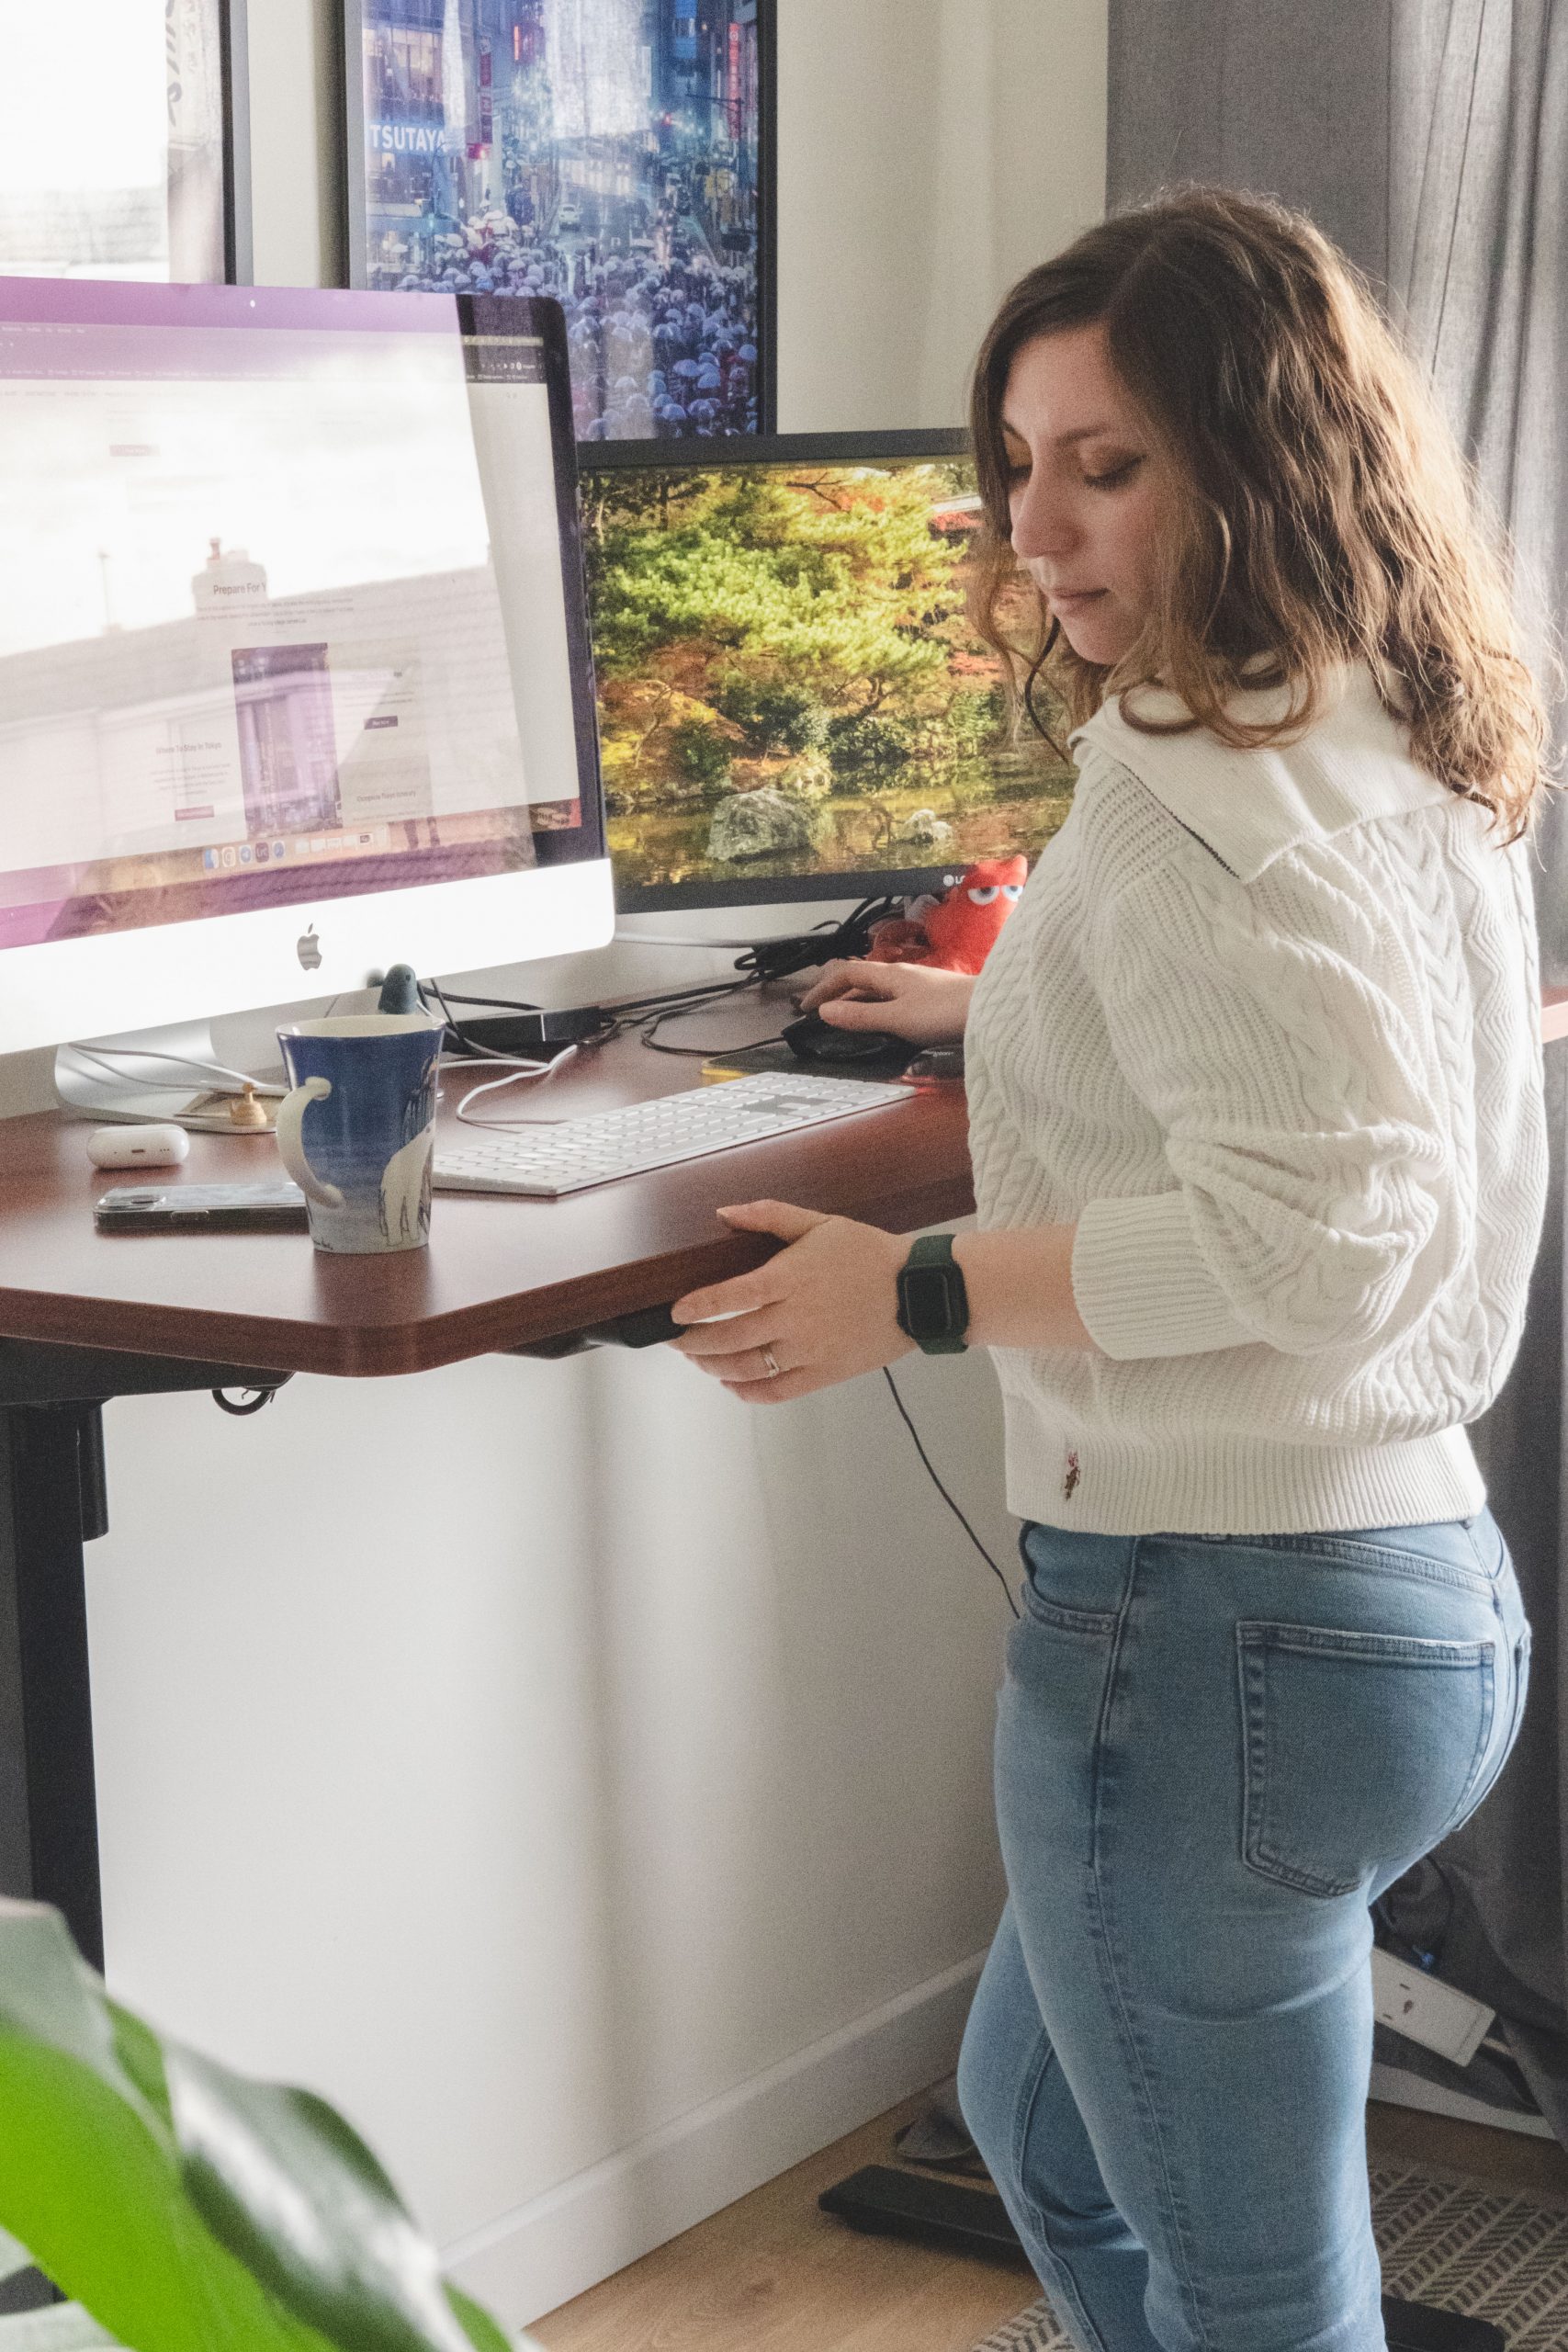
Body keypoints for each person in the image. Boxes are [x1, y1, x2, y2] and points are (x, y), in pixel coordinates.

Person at [667, 186, 1554, 2352]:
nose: (1033, 526)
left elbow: (1316, 1232)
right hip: (1386, 1603)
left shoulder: (1184, 798)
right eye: (1018, 461)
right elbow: (1332, 1092)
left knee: (1259, 2293)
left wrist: (918, 1289)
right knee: (1047, 2138)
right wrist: (1004, 1017)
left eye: (1107, 463)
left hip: (1212, 1622)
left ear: (1253, 462)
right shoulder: (1350, 724)